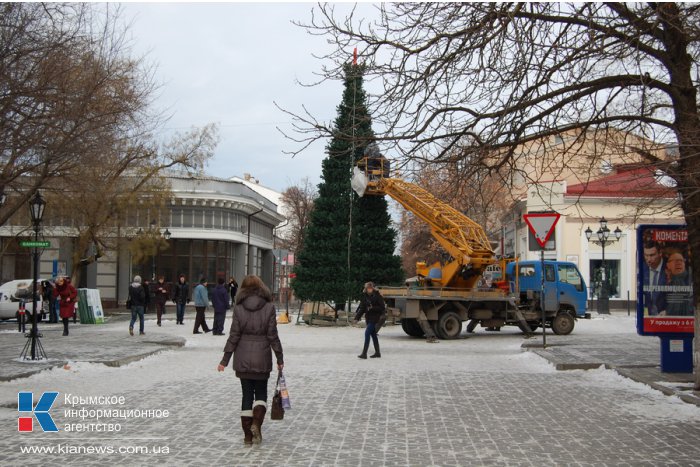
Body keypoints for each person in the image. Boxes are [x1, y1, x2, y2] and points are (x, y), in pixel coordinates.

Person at [217, 275, 284, 446]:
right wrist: (279, 357)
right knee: (261, 393)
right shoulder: (269, 307)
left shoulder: (239, 309)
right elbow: (272, 336)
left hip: (243, 358)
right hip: (262, 358)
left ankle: (247, 436)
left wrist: (224, 360)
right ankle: (256, 424)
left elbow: (234, 336)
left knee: (246, 395)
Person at [354, 282, 386, 359]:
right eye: (368, 288)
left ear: (373, 288)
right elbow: (362, 309)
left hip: (376, 317)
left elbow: (382, 308)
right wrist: (356, 318)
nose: (369, 289)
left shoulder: (378, 296)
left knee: (367, 333)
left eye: (370, 288)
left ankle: (364, 353)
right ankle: (377, 353)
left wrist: (372, 308)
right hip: (368, 318)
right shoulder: (364, 297)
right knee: (373, 335)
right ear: (366, 289)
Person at [663, 250, 694, 316]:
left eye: (681, 260)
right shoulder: (663, 279)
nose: (679, 263)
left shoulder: (691, 278)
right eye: (675, 261)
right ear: (668, 265)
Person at [642, 241, 667, 315]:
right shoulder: (642, 268)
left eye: (652, 255)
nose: (648, 259)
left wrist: (669, 311)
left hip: (666, 317)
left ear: (660, 253)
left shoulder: (669, 267)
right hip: (648, 317)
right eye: (646, 255)